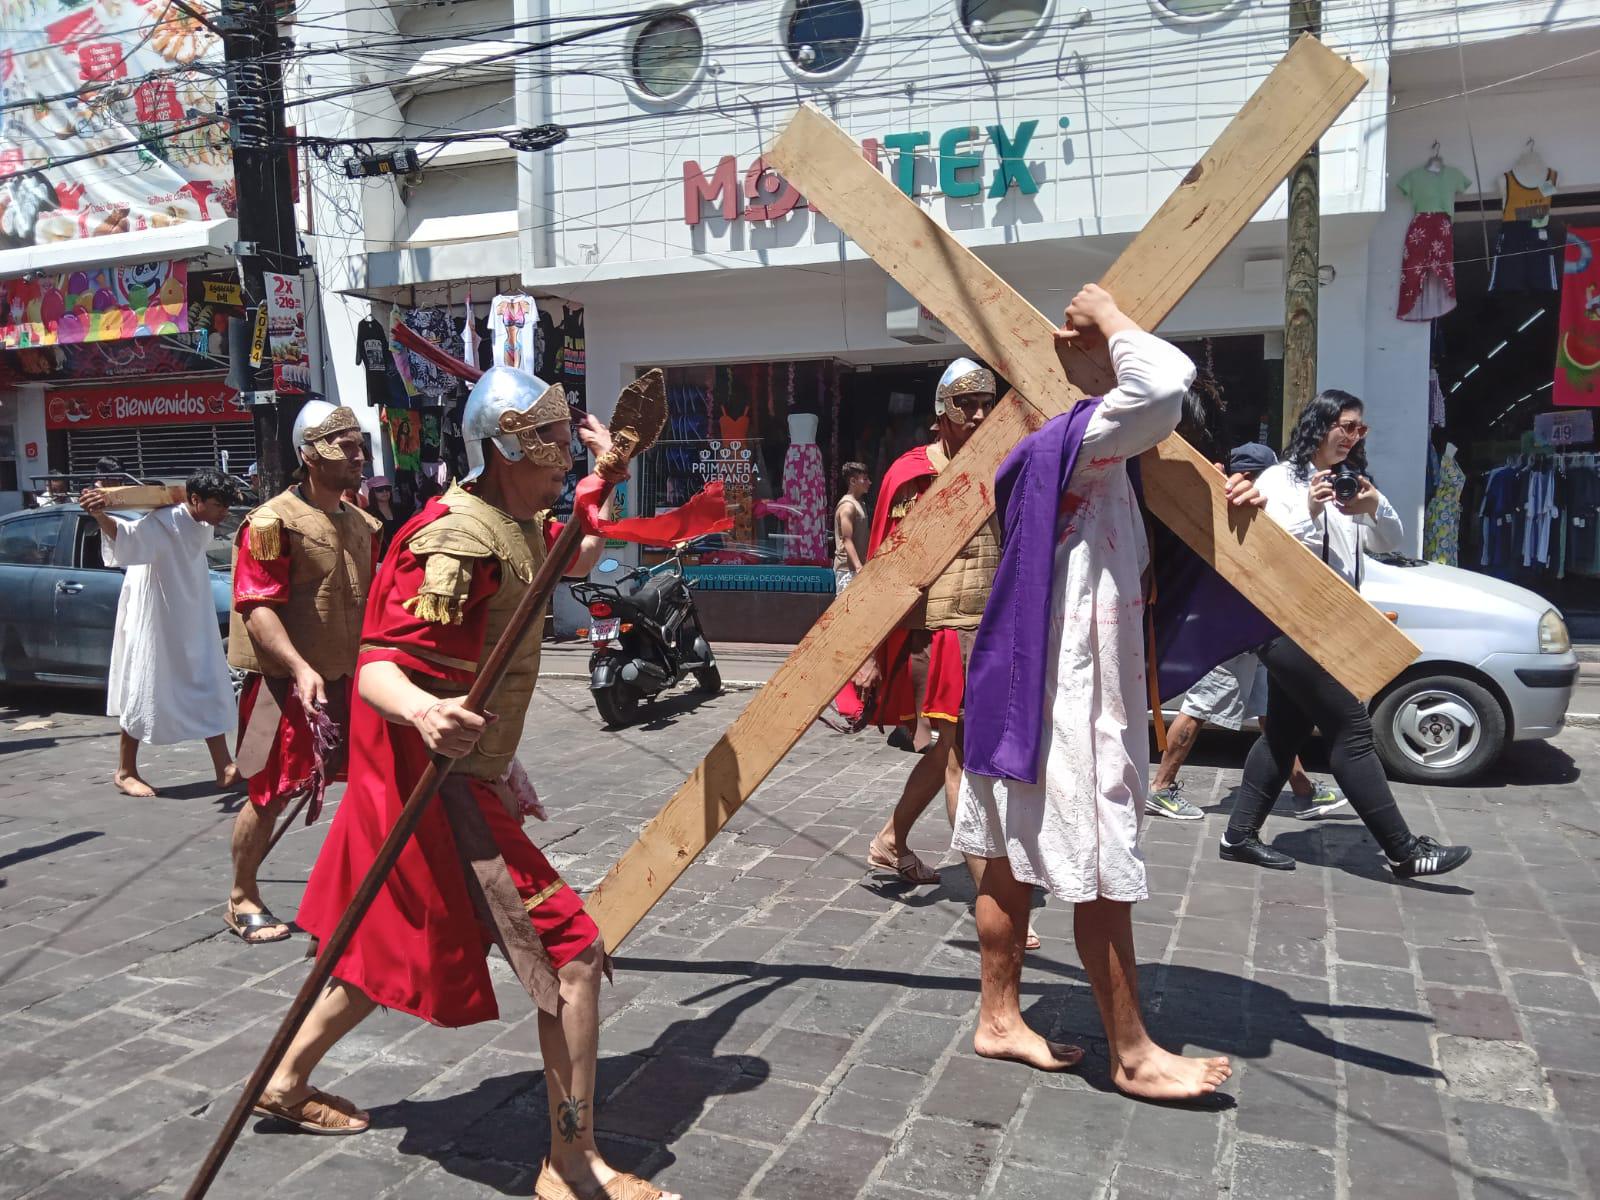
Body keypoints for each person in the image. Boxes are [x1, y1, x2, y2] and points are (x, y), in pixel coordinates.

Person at [276, 368, 680, 1200]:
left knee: (379, 948)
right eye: (554, 445)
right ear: (504, 448)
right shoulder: (459, 537)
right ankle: (570, 1163)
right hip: (440, 787)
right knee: (572, 956)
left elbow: (579, 554)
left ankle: (285, 1081)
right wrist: (426, 714)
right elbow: (383, 663)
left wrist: (609, 474)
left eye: (569, 443)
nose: (566, 459)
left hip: (466, 775)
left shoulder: (515, 521)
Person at [954, 284, 1263, 1096]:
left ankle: (998, 1018)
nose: (1115, 355)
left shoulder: (1088, 457)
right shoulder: (1070, 441)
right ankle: (1132, 1055)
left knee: (1004, 858)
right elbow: (1163, 384)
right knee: (1096, 860)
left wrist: (1240, 502)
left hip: (1024, 681)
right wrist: (1115, 318)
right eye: (1101, 350)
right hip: (1062, 694)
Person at [1218, 390, 1471, 879]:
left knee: (1284, 735)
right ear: (1320, 425)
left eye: (1360, 429)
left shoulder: (1351, 483)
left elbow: (1389, 541)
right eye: (1346, 426)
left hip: (1331, 628)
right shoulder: (1281, 480)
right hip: (1286, 624)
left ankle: (1238, 836)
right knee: (1352, 729)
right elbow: (1267, 550)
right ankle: (1402, 849)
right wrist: (1311, 510)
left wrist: (1376, 506)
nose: (1353, 437)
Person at [224, 401, 382, 944]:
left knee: (373, 785)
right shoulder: (270, 522)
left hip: (352, 678)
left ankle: (354, 895)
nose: (359, 456)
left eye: (360, 445)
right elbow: (257, 605)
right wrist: (297, 666)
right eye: (346, 447)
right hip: (281, 686)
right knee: (269, 794)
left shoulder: (363, 522)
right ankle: (242, 895)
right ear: (310, 455)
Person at [856, 358, 999, 894]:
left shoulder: (999, 464)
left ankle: (891, 842)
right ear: (942, 411)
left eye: (987, 403)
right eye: (967, 404)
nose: (980, 414)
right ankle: (990, 896)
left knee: (947, 752)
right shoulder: (910, 473)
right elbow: (882, 569)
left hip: (983, 631)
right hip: (934, 635)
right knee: (960, 758)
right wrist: (870, 652)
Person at [1146, 442, 1345, 821]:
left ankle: (1303, 790)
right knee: (1199, 707)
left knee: (1270, 712)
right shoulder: (1236, 513)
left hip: (1248, 631)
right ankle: (1160, 787)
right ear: (1251, 477)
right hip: (1229, 633)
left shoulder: (1250, 511)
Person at [80, 470, 242, 797]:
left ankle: (224, 765)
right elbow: (125, 538)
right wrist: (100, 514)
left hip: (192, 611)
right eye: (217, 504)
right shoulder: (162, 522)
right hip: (156, 615)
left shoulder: (203, 524)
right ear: (195, 500)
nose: (223, 512)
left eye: (226, 505)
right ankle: (125, 771)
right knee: (146, 685)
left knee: (207, 680)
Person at [825, 462, 872, 729]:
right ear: (853, 480)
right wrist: (858, 568)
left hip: (854, 572)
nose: (869, 483)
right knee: (848, 629)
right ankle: (844, 690)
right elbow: (847, 540)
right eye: (864, 478)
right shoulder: (847, 506)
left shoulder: (859, 504)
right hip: (847, 573)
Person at [364, 475, 409, 557]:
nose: (385, 492)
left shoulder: (401, 509)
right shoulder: (367, 513)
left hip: (402, 553)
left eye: (387, 488)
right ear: (372, 492)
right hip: (381, 557)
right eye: (379, 489)